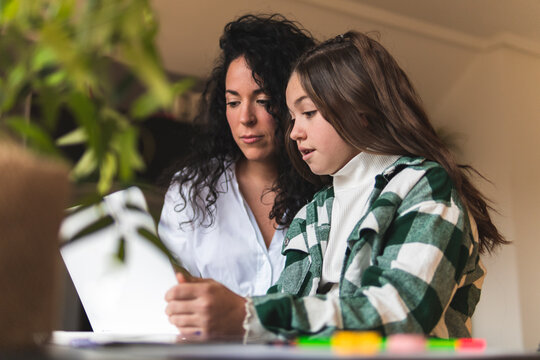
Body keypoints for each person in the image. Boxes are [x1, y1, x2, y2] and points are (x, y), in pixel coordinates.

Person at [164, 31, 508, 341]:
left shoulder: (423, 186)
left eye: (308, 112)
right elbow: (285, 325)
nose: (294, 132)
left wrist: (249, 315)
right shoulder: (314, 213)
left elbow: (402, 313)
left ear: (359, 109)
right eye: (292, 117)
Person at [158, 14, 320, 297]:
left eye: (263, 101)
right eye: (233, 102)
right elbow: (167, 296)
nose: (245, 117)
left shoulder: (327, 195)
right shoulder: (191, 191)